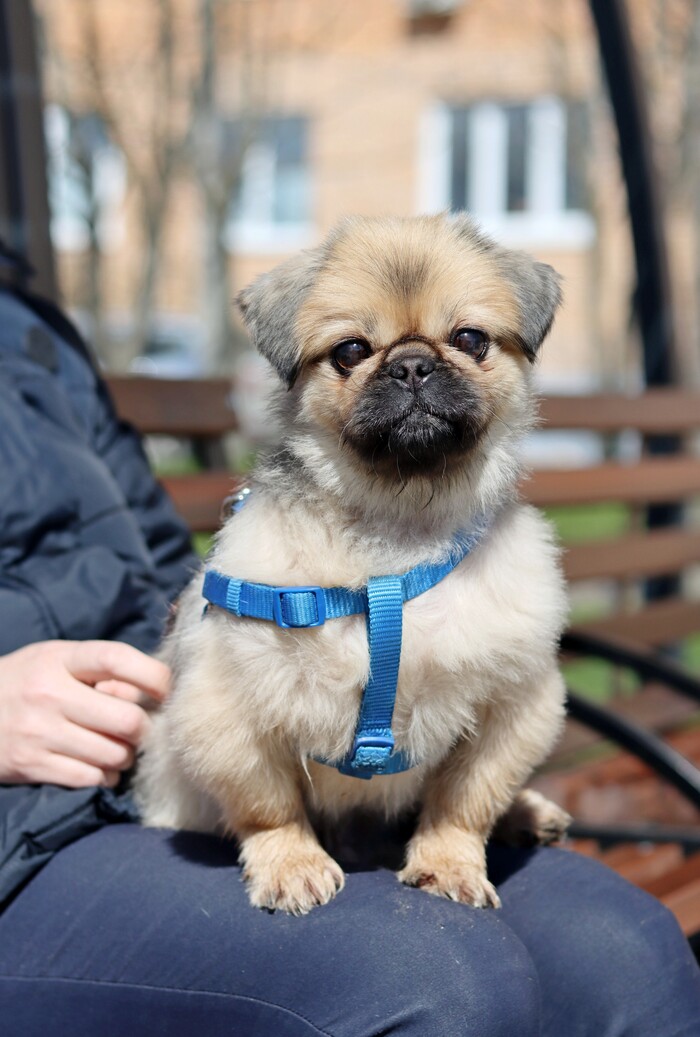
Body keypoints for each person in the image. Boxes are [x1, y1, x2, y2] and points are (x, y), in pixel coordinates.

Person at [0, 250, 699, 1037]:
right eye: (355, 351)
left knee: (627, 950)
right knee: (440, 978)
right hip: (39, 827)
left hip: (139, 733)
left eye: (467, 341)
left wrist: (457, 811)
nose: (412, 371)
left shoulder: (31, 329)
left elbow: (158, 554)